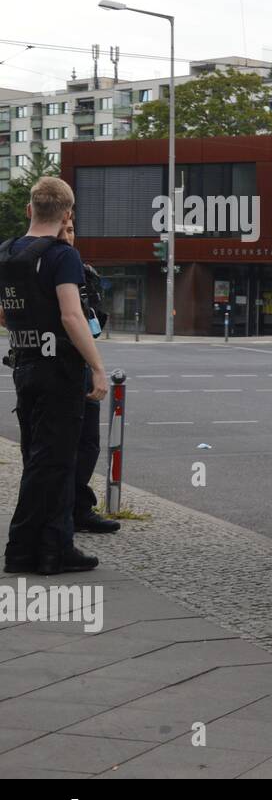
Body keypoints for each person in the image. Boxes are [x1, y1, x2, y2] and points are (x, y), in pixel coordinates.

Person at [0, 177, 108, 575]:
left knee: (39, 460)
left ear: (29, 210)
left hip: (25, 365)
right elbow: (71, 314)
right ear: (67, 216)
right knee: (56, 463)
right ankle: (24, 547)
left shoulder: (8, 252)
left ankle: (52, 548)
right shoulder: (63, 255)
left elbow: (5, 312)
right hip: (59, 370)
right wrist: (96, 366)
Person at [57, 219, 120, 535]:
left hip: (81, 363)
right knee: (62, 445)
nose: (67, 235)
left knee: (89, 444)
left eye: (71, 229)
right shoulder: (46, 264)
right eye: (63, 229)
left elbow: (92, 322)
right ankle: (64, 511)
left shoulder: (80, 269)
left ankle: (78, 507)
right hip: (57, 366)